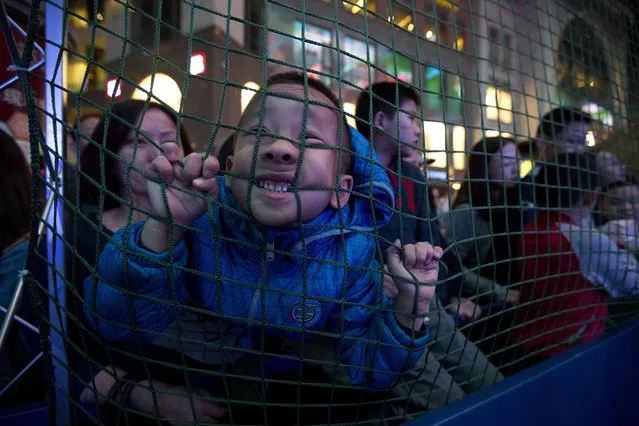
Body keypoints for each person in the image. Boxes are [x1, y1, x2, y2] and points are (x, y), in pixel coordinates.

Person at [84, 72, 442, 420]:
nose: (281, 149)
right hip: (210, 390)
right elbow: (115, 323)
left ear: (341, 189)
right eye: (258, 132)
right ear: (228, 167)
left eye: (311, 141)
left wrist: (409, 308)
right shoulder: (203, 220)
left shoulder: (352, 251)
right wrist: (165, 230)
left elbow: (371, 369)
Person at [68, 100, 228, 424]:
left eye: (169, 140)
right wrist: (143, 396)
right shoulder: (78, 235)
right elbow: (60, 348)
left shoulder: (211, 226)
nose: (157, 151)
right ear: (109, 158)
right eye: (136, 141)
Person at [355, 81, 502, 414]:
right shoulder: (347, 173)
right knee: (451, 403)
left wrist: (444, 295)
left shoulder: (412, 177)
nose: (418, 130)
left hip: (427, 305)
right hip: (376, 313)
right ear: (380, 121)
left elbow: (434, 243)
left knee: (489, 381)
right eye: (411, 119)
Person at [510, 153, 639, 368]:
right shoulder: (586, 240)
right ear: (592, 198)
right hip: (571, 352)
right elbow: (633, 284)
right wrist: (620, 247)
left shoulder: (533, 229)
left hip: (531, 346)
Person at [599, 181, 639, 254]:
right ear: (601, 207)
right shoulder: (599, 235)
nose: (627, 208)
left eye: (633, 201)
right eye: (615, 203)